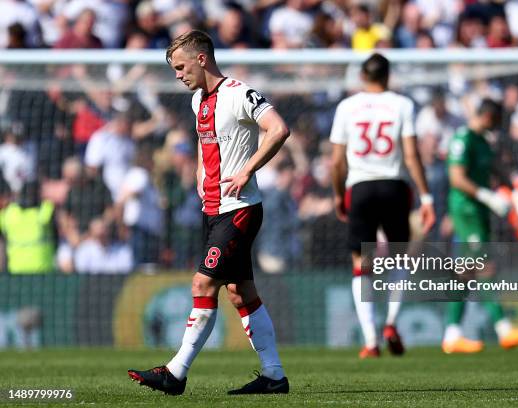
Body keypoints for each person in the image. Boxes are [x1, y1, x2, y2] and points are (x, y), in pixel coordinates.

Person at [127, 30, 290, 395]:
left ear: (202, 59)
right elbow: (207, 146)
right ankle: (274, 375)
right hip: (213, 210)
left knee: (203, 284)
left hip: (240, 209)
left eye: (181, 67)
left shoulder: (238, 93)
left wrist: (247, 170)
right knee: (239, 291)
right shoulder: (197, 100)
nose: (178, 75)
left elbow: (278, 129)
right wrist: (201, 176)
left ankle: (175, 373)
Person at [330, 53, 436, 358]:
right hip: (394, 186)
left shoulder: (347, 107)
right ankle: (390, 323)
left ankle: (371, 341)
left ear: (363, 77)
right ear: (388, 77)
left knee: (360, 265)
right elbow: (412, 155)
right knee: (399, 260)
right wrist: (426, 196)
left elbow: (337, 161)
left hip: (360, 187)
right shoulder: (402, 104)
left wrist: (338, 194)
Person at [444, 98, 518, 353]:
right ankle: (504, 329)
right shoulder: (462, 139)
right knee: (485, 266)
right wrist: (487, 196)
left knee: (464, 273)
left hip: (479, 211)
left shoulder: (484, 142)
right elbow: (456, 178)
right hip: (466, 211)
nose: (497, 127)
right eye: (496, 122)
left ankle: (452, 335)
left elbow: (499, 170)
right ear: (487, 117)